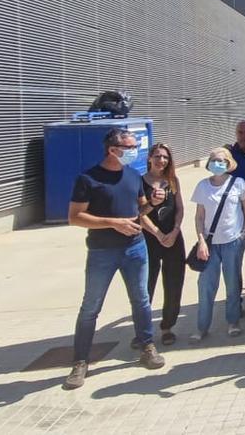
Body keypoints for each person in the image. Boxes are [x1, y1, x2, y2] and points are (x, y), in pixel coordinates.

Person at [63, 129, 165, 390]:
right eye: (130, 147)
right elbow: (74, 217)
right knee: (91, 306)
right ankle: (81, 361)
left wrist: (152, 203)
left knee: (141, 299)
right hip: (102, 251)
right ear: (112, 149)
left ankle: (147, 346)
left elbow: (140, 209)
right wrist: (111, 223)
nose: (135, 151)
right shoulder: (88, 179)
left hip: (135, 248)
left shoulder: (131, 175)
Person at [189, 147, 245, 342]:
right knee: (206, 285)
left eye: (222, 161)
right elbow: (199, 217)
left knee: (232, 283)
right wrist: (200, 241)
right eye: (214, 160)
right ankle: (202, 326)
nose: (218, 164)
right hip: (210, 243)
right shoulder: (202, 186)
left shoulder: (238, 183)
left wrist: (243, 233)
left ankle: (233, 321)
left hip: (232, 241)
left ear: (229, 163)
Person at [139, 143, 185, 347]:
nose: (161, 160)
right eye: (157, 156)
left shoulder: (172, 181)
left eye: (165, 157)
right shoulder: (140, 182)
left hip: (173, 238)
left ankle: (167, 326)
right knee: (145, 285)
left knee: (174, 283)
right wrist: (157, 233)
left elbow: (180, 208)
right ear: (149, 158)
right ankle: (143, 329)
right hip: (149, 239)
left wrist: (174, 230)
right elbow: (139, 213)